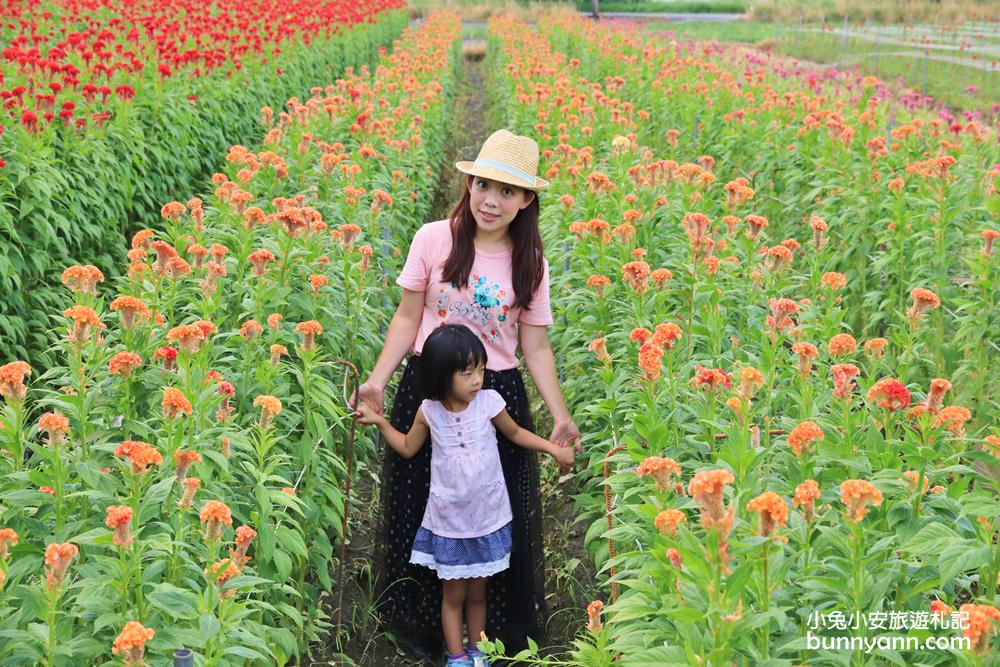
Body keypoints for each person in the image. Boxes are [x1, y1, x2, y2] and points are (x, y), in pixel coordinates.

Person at [352, 129, 582, 660]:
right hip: (428, 387)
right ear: (469, 184)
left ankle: (487, 640)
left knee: (493, 516)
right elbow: (408, 316)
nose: (491, 200)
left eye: (506, 191)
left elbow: (537, 346)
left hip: (494, 391)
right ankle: (427, 632)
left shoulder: (531, 263)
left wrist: (560, 416)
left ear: (527, 200)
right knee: (422, 507)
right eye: (483, 185)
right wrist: (378, 380)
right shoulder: (434, 239)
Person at [354, 324, 575, 667]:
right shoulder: (429, 411)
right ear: (442, 375)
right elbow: (408, 447)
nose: (477, 380)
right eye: (467, 372)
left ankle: (479, 651)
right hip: (450, 522)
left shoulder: (489, 402)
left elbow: (516, 433)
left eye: (481, 370)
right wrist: (381, 422)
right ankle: (456, 656)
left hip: (487, 517)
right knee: (453, 594)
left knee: (478, 593)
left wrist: (552, 449)